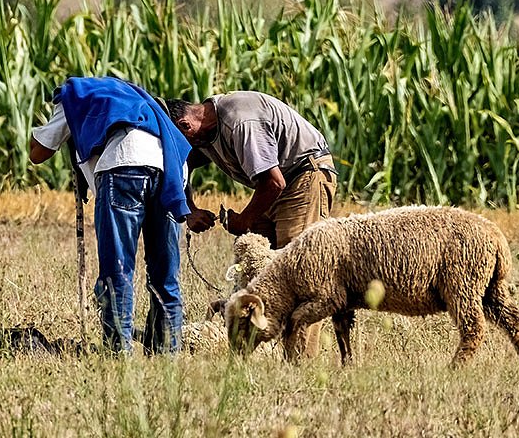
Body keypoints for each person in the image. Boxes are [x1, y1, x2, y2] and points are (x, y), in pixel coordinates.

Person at [29, 76, 192, 355]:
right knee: (165, 275)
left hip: (125, 165)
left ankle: (118, 356)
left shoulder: (75, 97)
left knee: (118, 271)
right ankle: (168, 356)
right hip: (172, 170)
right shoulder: (137, 100)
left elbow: (38, 152)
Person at [167, 91, 336, 249]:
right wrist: (190, 209)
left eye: (178, 143)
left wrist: (244, 220)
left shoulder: (240, 122)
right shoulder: (202, 130)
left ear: (185, 124)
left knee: (295, 262)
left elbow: (275, 183)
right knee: (257, 267)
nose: (180, 148)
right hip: (272, 185)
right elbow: (182, 166)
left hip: (303, 176)